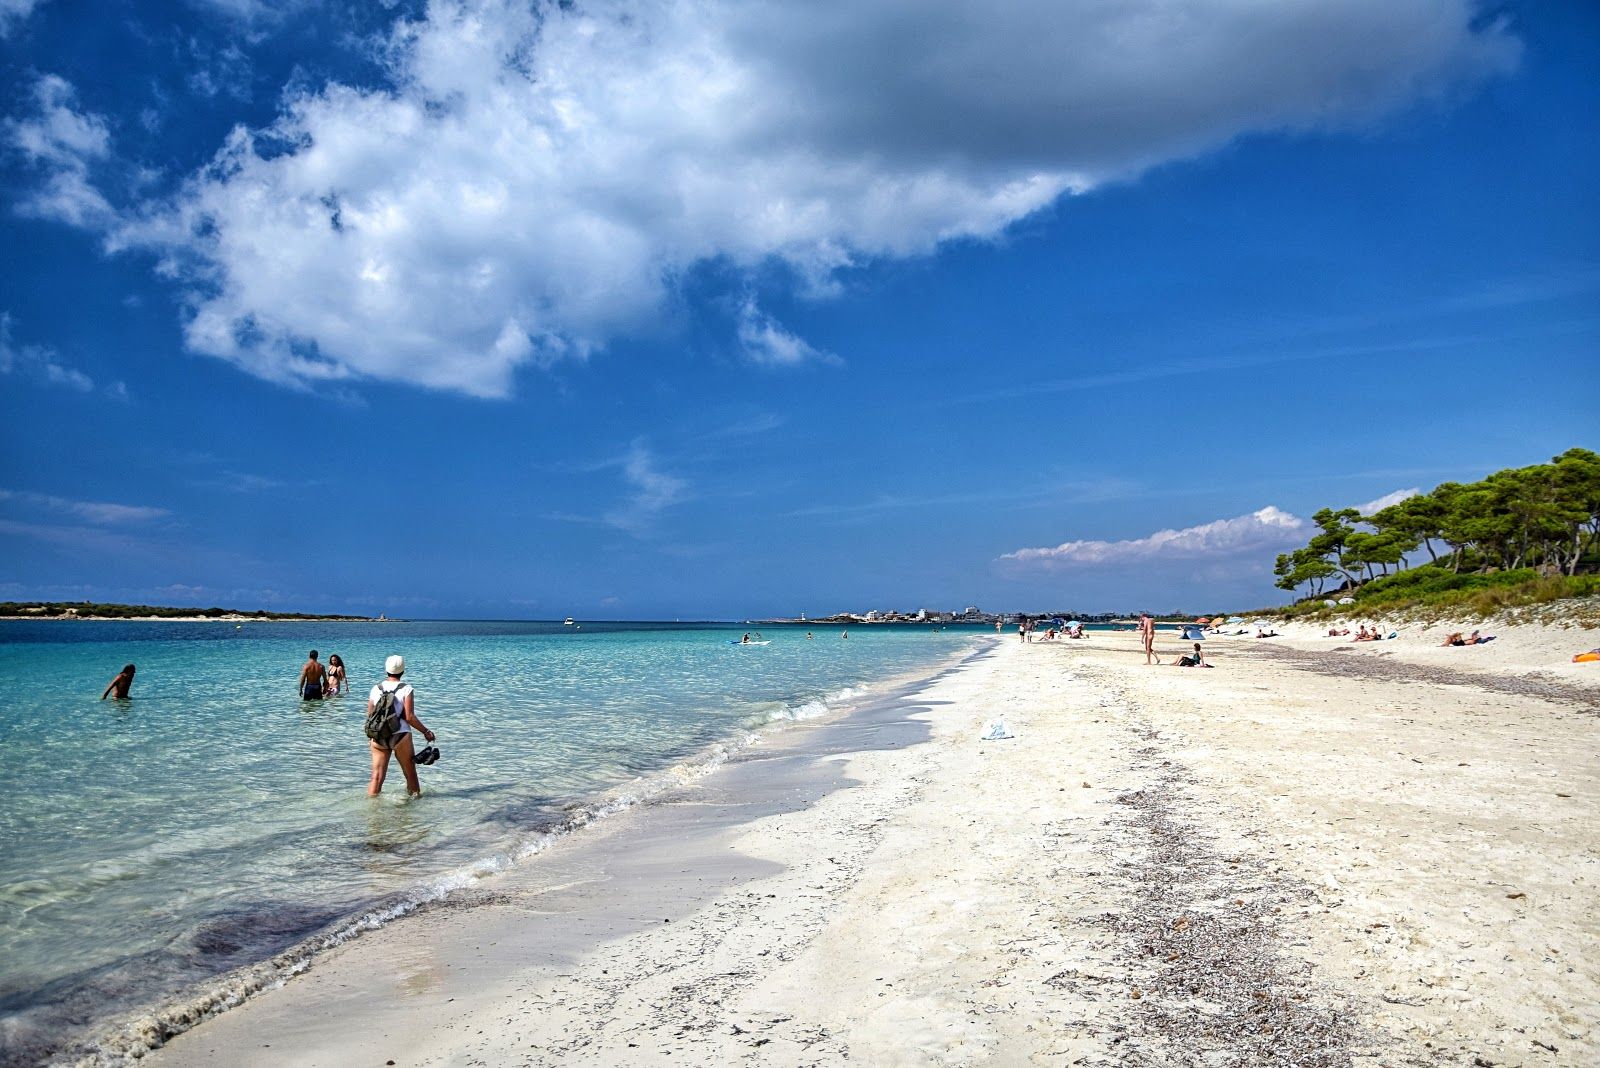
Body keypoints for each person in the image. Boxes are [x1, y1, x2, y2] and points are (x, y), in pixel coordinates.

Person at [367, 654, 436, 797]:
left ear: (386, 670)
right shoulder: (406, 688)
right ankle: (415, 810)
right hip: (400, 735)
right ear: (403, 671)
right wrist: (425, 731)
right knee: (410, 773)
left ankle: (372, 813)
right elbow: (409, 717)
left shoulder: (376, 688)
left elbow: (370, 715)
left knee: (376, 777)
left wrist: (372, 737)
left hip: (378, 735)